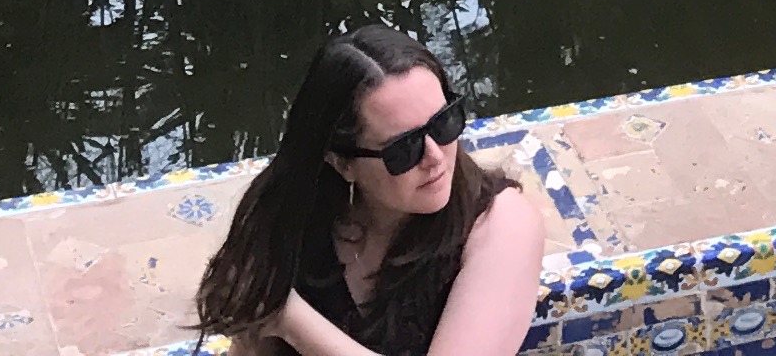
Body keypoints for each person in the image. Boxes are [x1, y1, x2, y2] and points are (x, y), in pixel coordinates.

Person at [194, 24, 541, 356]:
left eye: (444, 122)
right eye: (404, 148)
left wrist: (288, 318)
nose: (435, 157)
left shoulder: (502, 223)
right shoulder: (296, 216)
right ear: (342, 162)